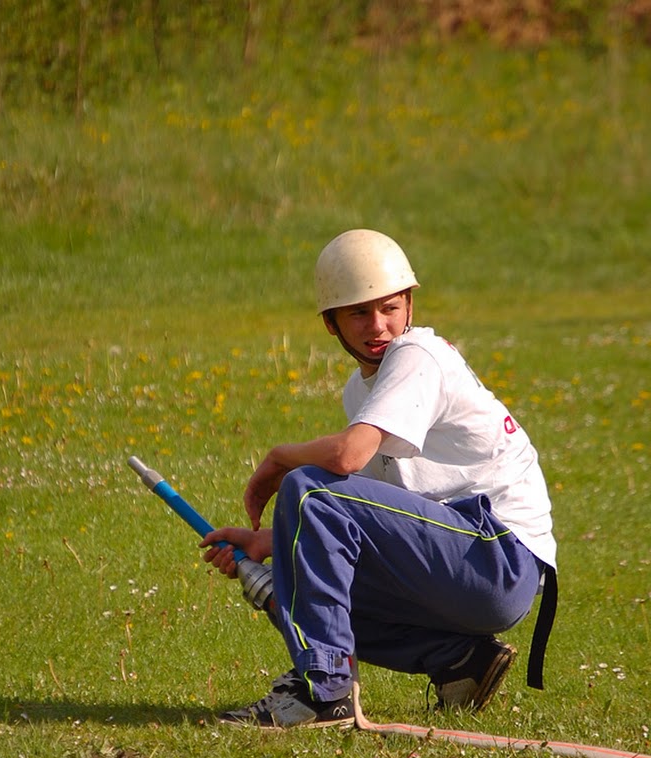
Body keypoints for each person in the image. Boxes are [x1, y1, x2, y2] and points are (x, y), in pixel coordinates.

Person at [200, 228, 557, 728]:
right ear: (331, 324)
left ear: (410, 304)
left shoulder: (418, 355)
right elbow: (370, 518)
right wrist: (270, 543)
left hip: (497, 559)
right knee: (293, 575)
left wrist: (281, 458)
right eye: (358, 313)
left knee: (308, 486)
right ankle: (459, 660)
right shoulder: (362, 389)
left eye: (390, 308)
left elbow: (346, 459)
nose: (378, 326)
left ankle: (323, 695)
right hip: (465, 566)